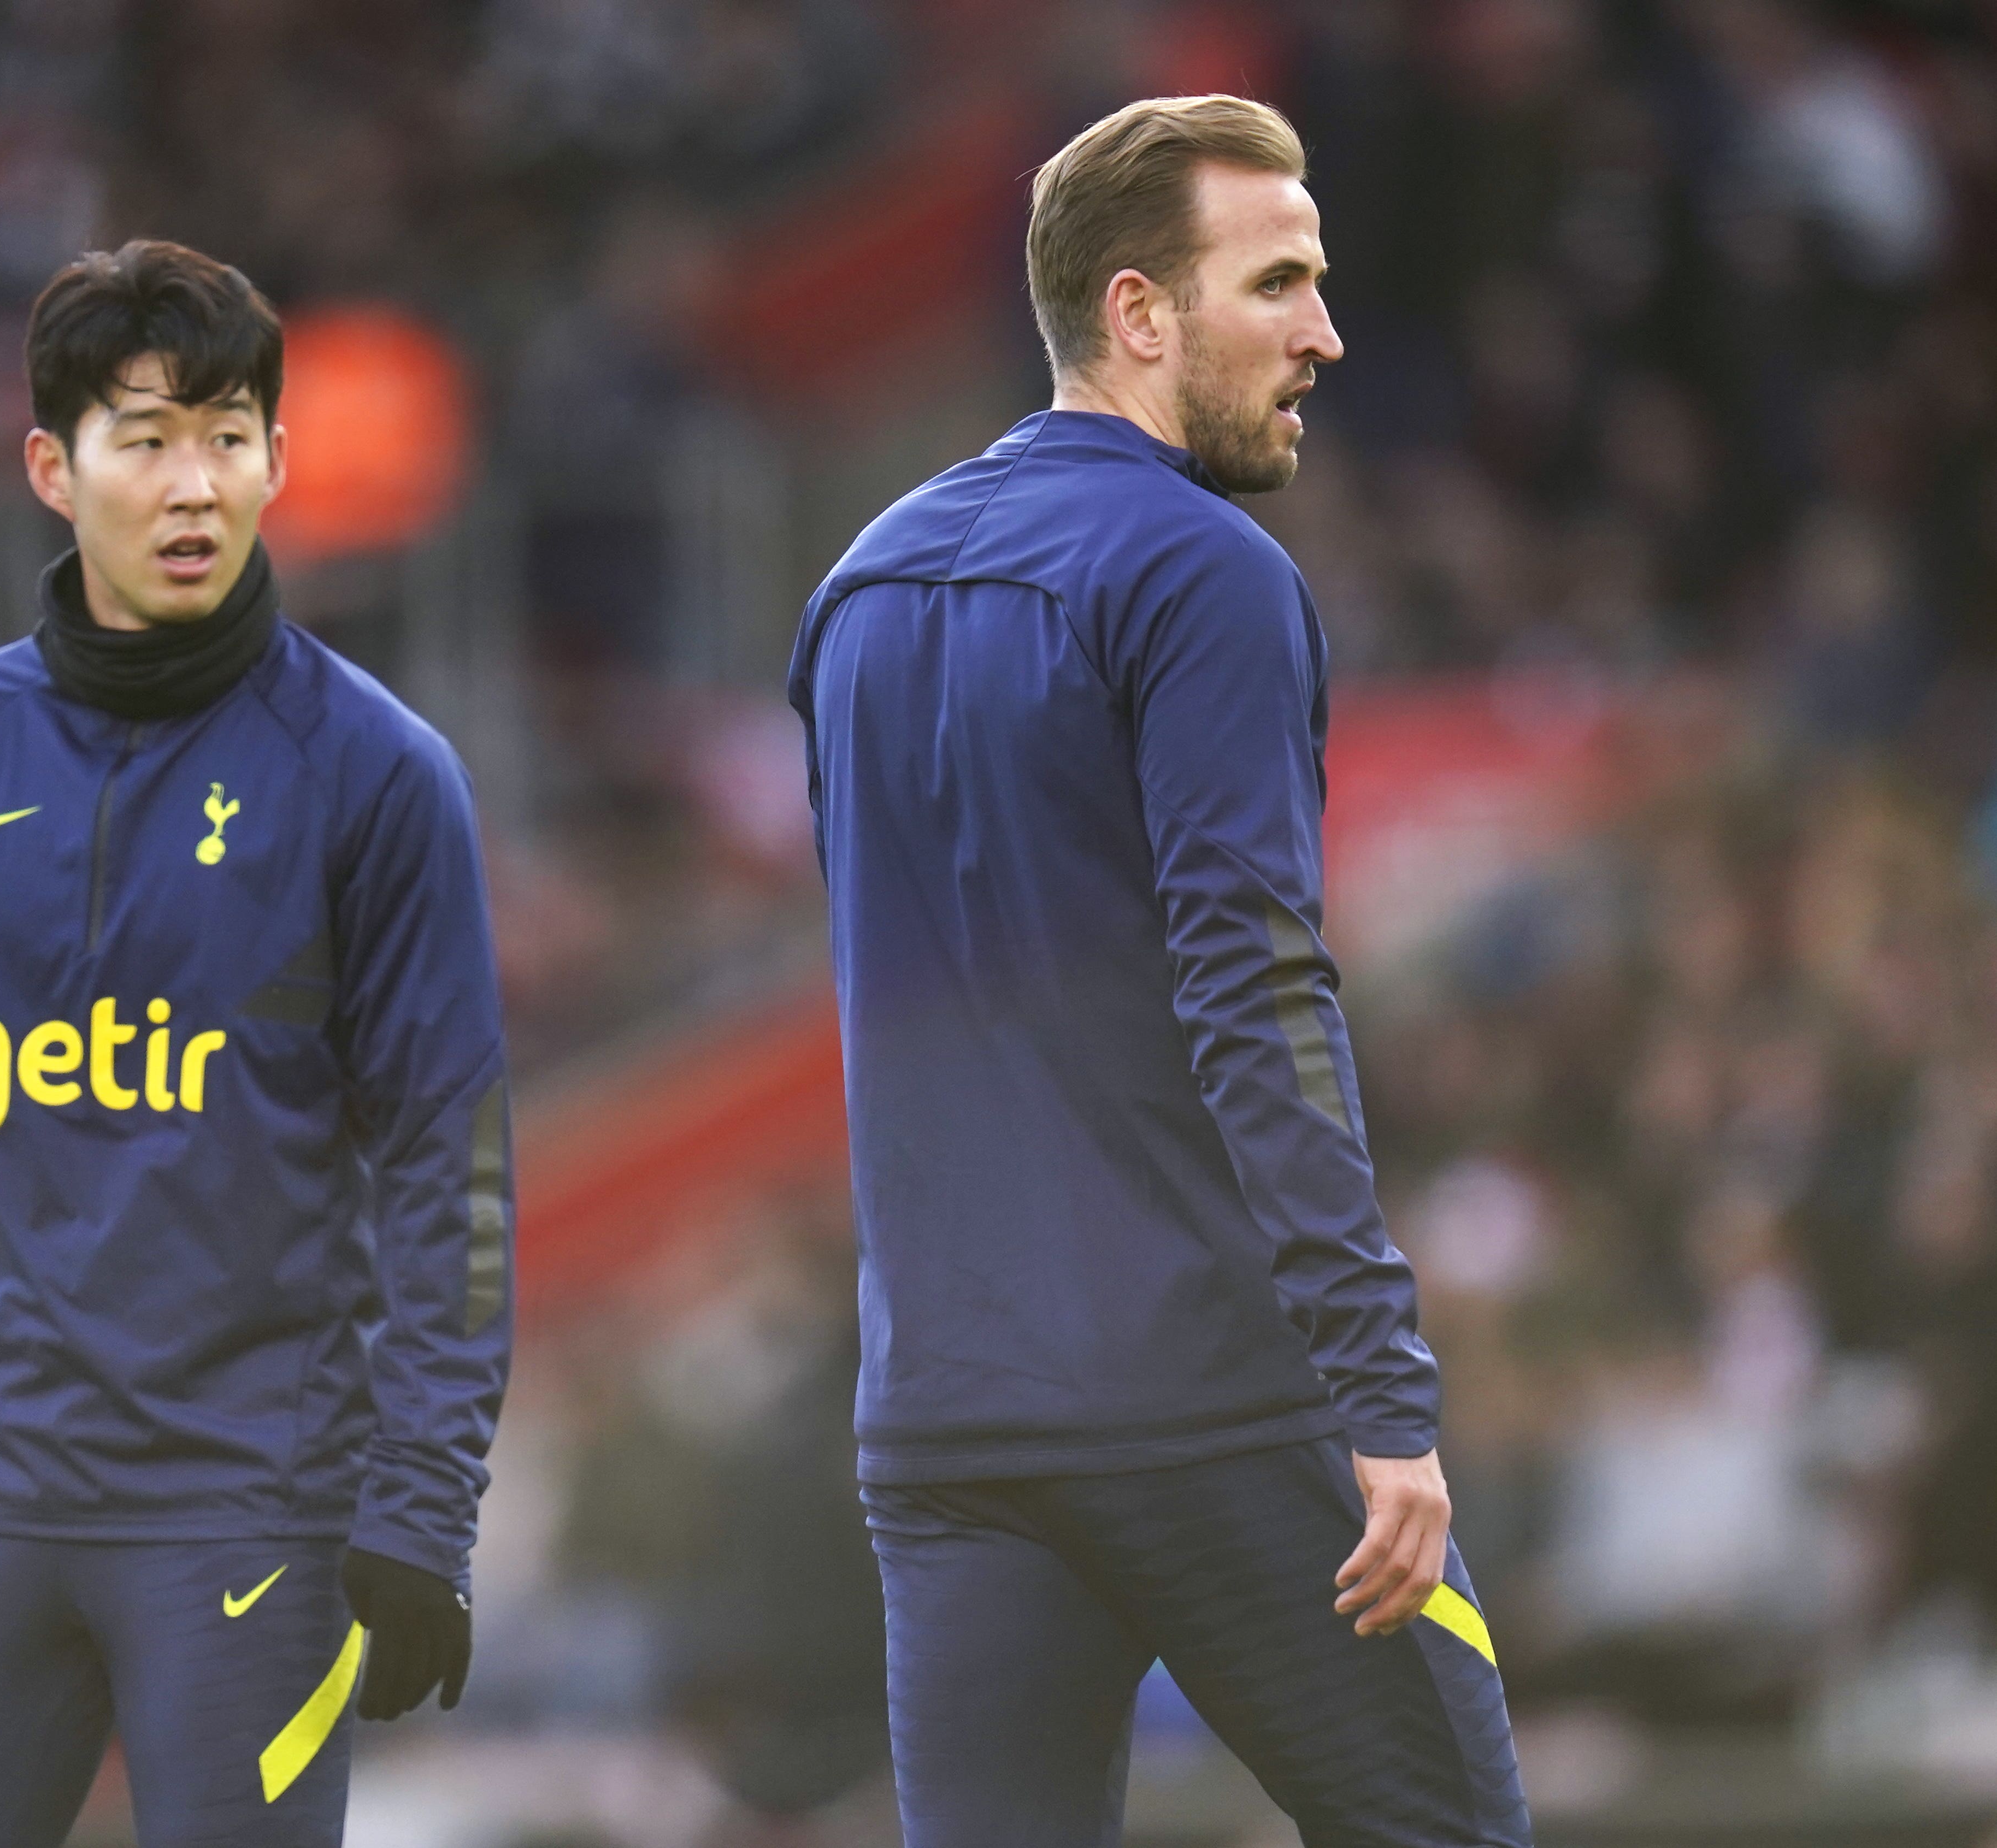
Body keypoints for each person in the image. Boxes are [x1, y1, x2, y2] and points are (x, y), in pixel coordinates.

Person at [785, 97, 1531, 1846]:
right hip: (1210, 1403)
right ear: (1137, 315)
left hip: (948, 1431)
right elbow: (1255, 990)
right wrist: (1379, 1390)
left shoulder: (854, 592)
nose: (1323, 335)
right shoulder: (1207, 575)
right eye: (1276, 283)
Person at [0, 239, 514, 1848]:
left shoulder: (379, 776)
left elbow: (455, 1177)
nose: (191, 483)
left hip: (251, 1520)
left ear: (282, 463)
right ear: (49, 468)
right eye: (142, 438)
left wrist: (421, 1510)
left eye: (227, 436)